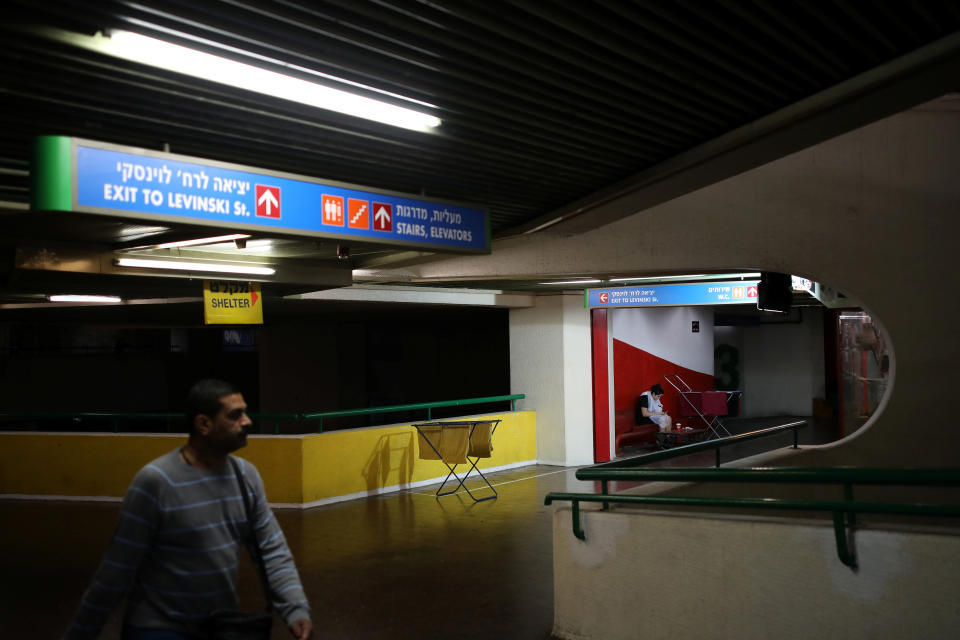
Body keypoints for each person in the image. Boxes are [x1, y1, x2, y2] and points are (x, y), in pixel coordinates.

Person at [64, 379, 313, 640]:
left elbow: (271, 550)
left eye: (245, 412)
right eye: (235, 415)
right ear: (203, 424)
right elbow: (116, 571)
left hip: (218, 627)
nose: (248, 421)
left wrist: (295, 609)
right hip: (157, 629)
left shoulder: (246, 477)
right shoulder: (157, 482)